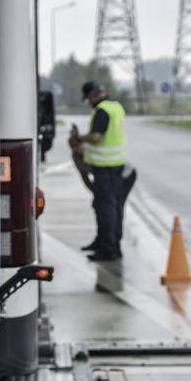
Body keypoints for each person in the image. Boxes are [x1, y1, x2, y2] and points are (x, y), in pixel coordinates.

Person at [70, 80, 127, 261]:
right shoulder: (116, 107)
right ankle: (111, 243)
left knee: (106, 209)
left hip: (105, 167)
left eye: (88, 99)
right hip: (116, 165)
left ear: (93, 95)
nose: (89, 102)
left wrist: (79, 137)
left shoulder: (102, 110)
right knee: (112, 207)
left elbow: (96, 136)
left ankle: (108, 248)